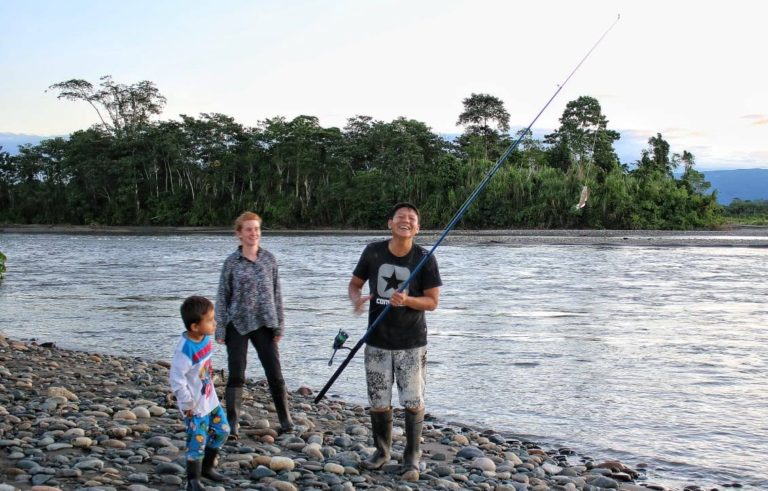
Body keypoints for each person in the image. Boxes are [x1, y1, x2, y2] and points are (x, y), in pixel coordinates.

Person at [348, 202, 442, 480]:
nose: (406, 221)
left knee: (413, 400)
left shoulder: (425, 257)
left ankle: (412, 455)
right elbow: (354, 284)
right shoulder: (373, 251)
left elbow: (433, 302)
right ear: (390, 223)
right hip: (376, 339)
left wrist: (408, 300)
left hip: (411, 342)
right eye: (400, 217)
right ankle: (382, 451)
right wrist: (357, 301)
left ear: (418, 227)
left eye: (412, 218)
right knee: (378, 400)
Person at [215, 211, 294, 438]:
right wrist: (220, 328)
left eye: (257, 229)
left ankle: (285, 419)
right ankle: (232, 423)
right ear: (239, 234)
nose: (254, 233)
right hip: (236, 323)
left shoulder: (269, 259)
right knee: (237, 374)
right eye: (248, 229)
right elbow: (222, 295)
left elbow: (277, 293)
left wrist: (280, 325)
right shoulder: (231, 262)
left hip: (265, 323)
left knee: (275, 374)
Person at [170, 295, 230, 491]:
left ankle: (207, 467)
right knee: (197, 441)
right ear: (195, 326)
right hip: (194, 406)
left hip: (209, 399)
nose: (215, 323)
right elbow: (176, 379)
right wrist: (187, 404)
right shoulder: (185, 350)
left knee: (223, 430)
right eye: (210, 320)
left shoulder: (204, 339)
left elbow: (204, 367)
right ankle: (193, 480)